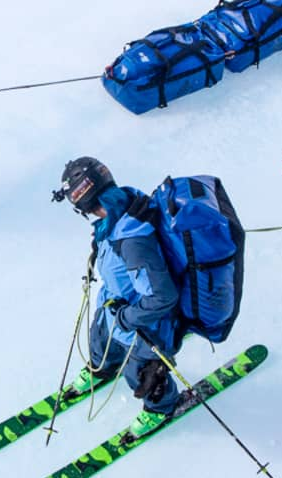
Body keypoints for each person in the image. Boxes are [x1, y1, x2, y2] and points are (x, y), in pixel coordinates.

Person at [54, 156, 190, 438]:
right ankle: (102, 369)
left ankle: (161, 407)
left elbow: (163, 297)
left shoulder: (133, 239)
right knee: (100, 339)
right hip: (113, 305)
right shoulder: (119, 207)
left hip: (144, 323)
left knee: (143, 374)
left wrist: (127, 318)